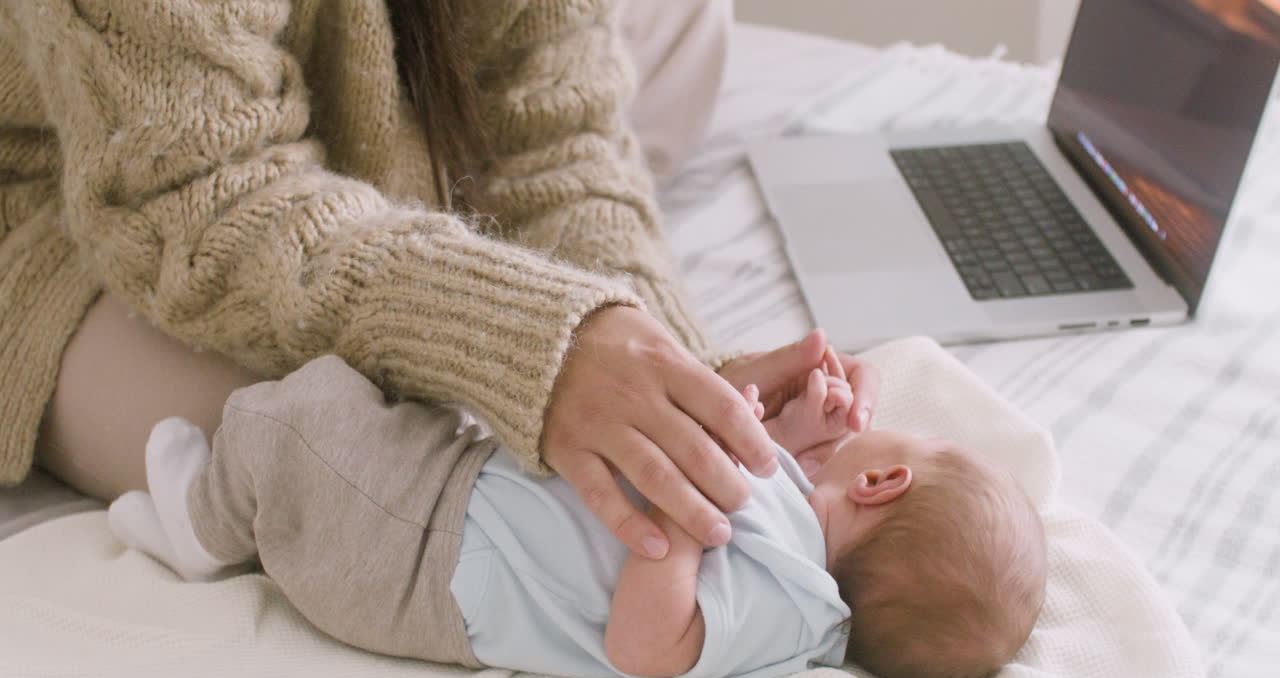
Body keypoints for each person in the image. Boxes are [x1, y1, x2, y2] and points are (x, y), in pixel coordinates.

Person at [1, 0, 879, 570]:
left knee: (689, 25)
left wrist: (679, 376)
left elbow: (556, 145)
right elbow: (195, 198)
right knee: (328, 450)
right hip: (91, 199)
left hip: (387, 126)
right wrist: (540, 339)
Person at [107, 349, 1047, 678]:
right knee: (362, 382)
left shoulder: (796, 610)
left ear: (882, 482)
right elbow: (767, 481)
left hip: (421, 561)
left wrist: (677, 524)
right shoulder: (800, 533)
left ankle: (202, 528)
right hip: (456, 502)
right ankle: (228, 509)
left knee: (296, 418)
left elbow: (648, 644)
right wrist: (799, 426)